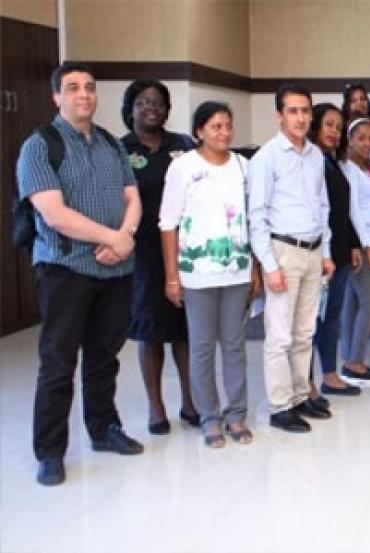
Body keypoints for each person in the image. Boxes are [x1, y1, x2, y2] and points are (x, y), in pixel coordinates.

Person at [18, 63, 145, 486]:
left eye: (89, 88)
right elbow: (53, 214)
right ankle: (50, 451)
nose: (83, 95)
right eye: (72, 89)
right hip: (66, 269)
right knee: (58, 362)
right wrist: (113, 236)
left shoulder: (111, 143)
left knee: (104, 356)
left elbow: (133, 197)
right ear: (56, 97)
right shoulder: (39, 146)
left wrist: (124, 238)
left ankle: (104, 428)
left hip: (116, 269)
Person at [159, 101, 257, 448]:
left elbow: (252, 219)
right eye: (216, 126)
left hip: (236, 271)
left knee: (234, 345)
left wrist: (255, 269)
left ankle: (236, 415)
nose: (224, 133)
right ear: (199, 130)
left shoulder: (244, 166)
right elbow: (167, 223)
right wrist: (172, 277)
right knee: (201, 347)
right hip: (197, 273)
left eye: (228, 126)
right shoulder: (183, 167)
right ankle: (209, 418)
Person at [248, 84, 335, 433]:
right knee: (280, 335)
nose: (300, 118)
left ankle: (301, 395)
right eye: (293, 111)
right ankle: (280, 405)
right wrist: (269, 266)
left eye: (305, 111)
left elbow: (322, 205)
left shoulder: (315, 155)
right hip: (283, 252)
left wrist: (327, 252)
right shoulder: (266, 158)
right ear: (279, 115)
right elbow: (257, 216)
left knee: (304, 332)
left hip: (314, 250)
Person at [118, 79, 198, 434]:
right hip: (144, 254)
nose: (151, 108)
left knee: (186, 331)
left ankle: (191, 402)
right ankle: (156, 408)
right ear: (131, 108)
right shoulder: (120, 150)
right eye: (143, 102)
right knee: (150, 332)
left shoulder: (182, 145)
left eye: (158, 102)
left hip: (185, 247)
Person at [308, 104, 370, 396]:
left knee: (332, 315)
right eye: (329, 125)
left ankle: (330, 374)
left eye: (338, 127)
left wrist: (350, 245)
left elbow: (341, 210)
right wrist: (361, 244)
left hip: (338, 251)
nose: (334, 132)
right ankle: (309, 382)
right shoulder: (313, 163)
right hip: (318, 251)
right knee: (313, 321)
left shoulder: (332, 162)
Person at [339, 117, 370, 382]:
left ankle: (349, 357)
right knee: (369, 302)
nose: (368, 143)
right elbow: (353, 210)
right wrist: (367, 246)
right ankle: (355, 363)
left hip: (365, 239)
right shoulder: (349, 168)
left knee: (353, 302)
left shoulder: (364, 169)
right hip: (362, 243)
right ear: (350, 140)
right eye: (361, 138)